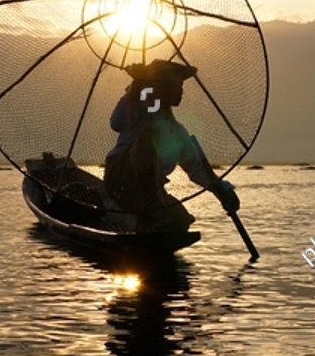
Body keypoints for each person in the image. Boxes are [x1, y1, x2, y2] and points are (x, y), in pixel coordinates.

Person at [103, 59, 240, 232]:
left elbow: (197, 169)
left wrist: (222, 191)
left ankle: (146, 219)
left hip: (152, 195)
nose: (181, 91)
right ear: (163, 85)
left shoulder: (177, 131)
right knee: (147, 138)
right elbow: (117, 123)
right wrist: (138, 84)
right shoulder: (145, 108)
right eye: (177, 85)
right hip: (121, 183)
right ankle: (135, 218)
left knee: (182, 221)